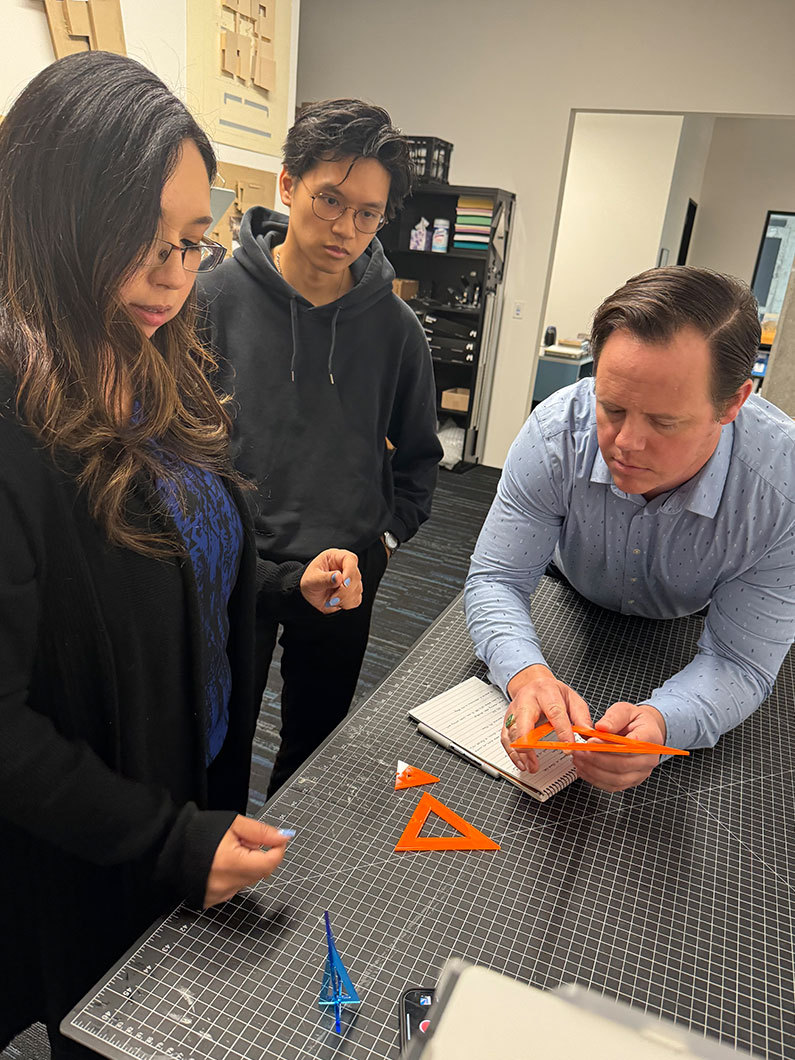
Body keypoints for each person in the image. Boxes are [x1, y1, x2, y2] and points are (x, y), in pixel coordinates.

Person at [0, 53, 362, 1057]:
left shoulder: (158, 365)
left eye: (192, 242)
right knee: (104, 1025)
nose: (171, 272)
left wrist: (283, 588)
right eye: (142, 240)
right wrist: (165, 841)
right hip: (89, 838)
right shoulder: (13, 411)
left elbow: (170, 569)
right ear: (57, 220)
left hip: (189, 780)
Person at [465, 266, 795, 794]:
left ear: (734, 402)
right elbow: (496, 579)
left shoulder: (782, 490)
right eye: (612, 407)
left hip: (695, 617)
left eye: (664, 422)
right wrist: (524, 672)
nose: (625, 443)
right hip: (569, 594)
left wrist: (666, 722)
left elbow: (740, 661)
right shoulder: (555, 435)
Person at [198, 99, 442, 796]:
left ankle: (296, 883)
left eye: (368, 214)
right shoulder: (207, 303)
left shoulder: (396, 330)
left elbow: (420, 462)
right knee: (218, 742)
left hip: (343, 574)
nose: (345, 229)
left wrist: (384, 544)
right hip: (233, 574)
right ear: (287, 184)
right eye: (329, 200)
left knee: (314, 750)